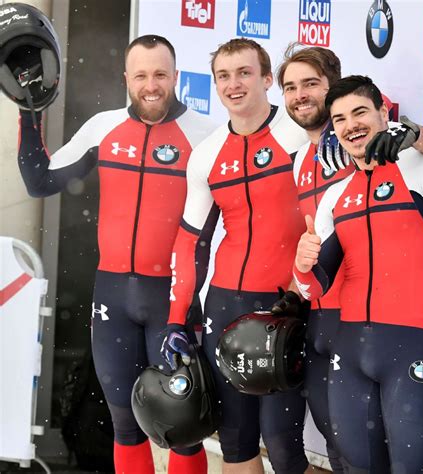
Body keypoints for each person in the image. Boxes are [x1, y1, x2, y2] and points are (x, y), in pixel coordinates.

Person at [17, 35, 216, 474]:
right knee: (124, 424)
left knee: (182, 425)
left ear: (176, 77)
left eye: (161, 75)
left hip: (173, 298)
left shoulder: (206, 135)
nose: (151, 85)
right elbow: (40, 182)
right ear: (126, 78)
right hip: (112, 297)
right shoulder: (102, 127)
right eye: (141, 75)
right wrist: (28, 110)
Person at [273, 44, 423, 473]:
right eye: (340, 119)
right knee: (357, 465)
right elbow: (312, 286)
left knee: (413, 467)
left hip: (413, 348)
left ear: (384, 112)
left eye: (359, 113)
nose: (350, 126)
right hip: (350, 349)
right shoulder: (335, 195)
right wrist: (302, 264)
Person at [161, 38, 313, 474]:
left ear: (268, 80)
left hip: (285, 304)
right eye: (223, 76)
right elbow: (190, 242)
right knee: (235, 439)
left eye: (245, 73)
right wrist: (176, 317)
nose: (234, 84)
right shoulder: (206, 155)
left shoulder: (300, 136)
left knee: (283, 444)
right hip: (226, 305)